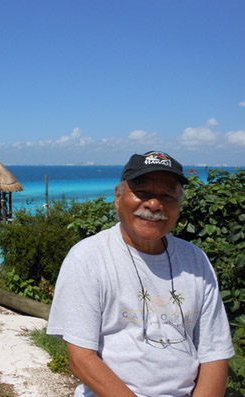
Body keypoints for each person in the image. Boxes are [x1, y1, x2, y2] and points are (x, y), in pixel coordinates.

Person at [47, 151, 234, 397]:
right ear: (118, 197)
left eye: (167, 195)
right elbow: (81, 358)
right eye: (142, 192)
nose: (154, 204)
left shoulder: (195, 260)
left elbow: (214, 354)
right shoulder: (88, 257)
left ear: (179, 205)